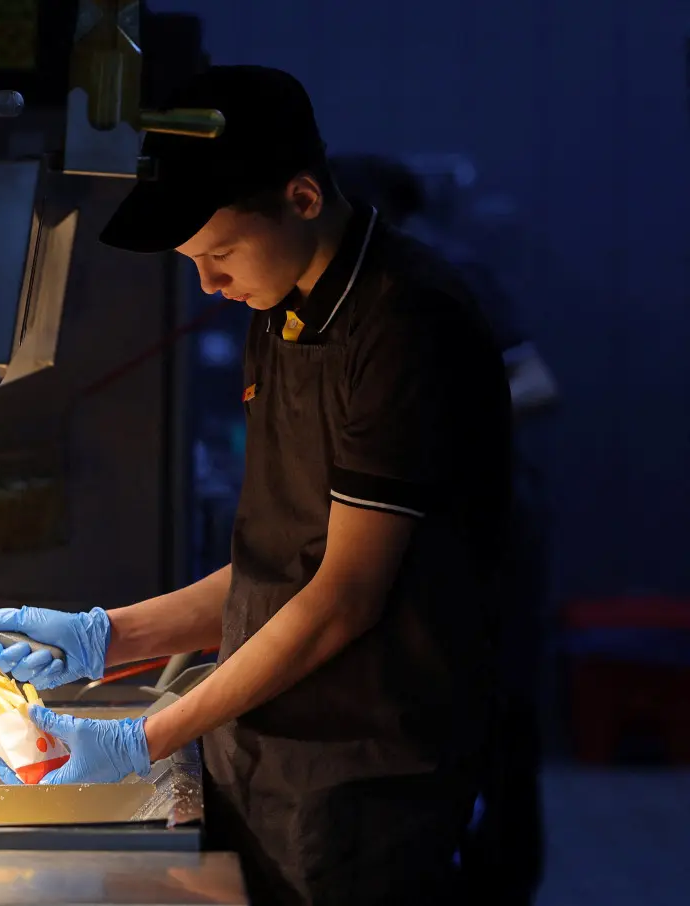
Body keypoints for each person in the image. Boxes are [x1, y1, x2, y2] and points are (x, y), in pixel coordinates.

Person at [0, 66, 513, 906]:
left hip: (363, 771)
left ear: (303, 197)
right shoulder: (284, 307)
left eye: (219, 253)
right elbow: (284, 559)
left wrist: (142, 738)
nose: (209, 284)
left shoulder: (410, 328)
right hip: (263, 743)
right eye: (196, 260)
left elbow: (341, 595)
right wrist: (105, 636)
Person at [334, 154, 558, 906]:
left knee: (499, 718)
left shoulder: (443, 279)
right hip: (429, 537)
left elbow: (535, 381)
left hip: (483, 532)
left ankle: (503, 883)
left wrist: (429, 420)